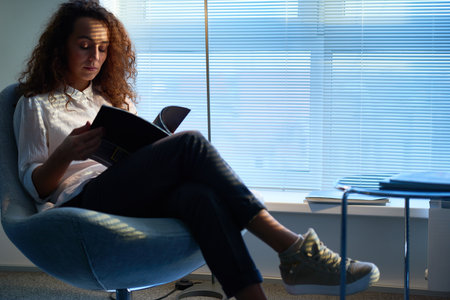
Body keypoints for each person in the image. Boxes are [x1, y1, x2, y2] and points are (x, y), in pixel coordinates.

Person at [13, 1, 380, 299]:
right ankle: (293, 249)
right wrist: (66, 154)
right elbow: (34, 186)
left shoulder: (114, 99)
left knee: (199, 196)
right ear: (62, 45)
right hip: (80, 201)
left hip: (123, 190)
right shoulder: (36, 103)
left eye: (103, 48)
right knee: (191, 144)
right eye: (84, 45)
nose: (95, 56)